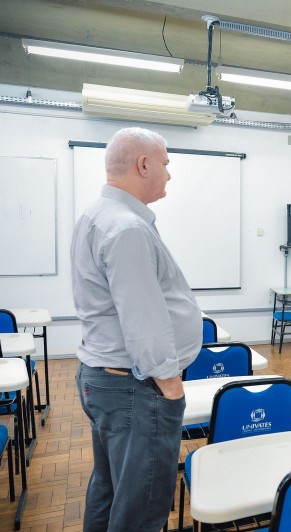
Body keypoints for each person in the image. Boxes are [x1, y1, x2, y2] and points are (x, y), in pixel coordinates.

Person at [71, 127, 202, 531]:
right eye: (165, 163)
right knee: (142, 509)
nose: (168, 173)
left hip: (108, 380)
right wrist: (172, 386)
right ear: (143, 164)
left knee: (110, 492)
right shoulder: (125, 227)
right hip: (135, 387)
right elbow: (143, 320)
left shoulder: (99, 215)